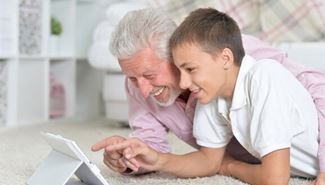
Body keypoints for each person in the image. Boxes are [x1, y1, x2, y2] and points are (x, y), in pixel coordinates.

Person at [91, 8, 325, 183]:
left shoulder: (238, 59)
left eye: (149, 74)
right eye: (132, 77)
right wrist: (129, 156)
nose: (142, 90)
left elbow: (316, 87)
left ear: (173, 54)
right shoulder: (204, 96)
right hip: (269, 160)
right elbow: (191, 156)